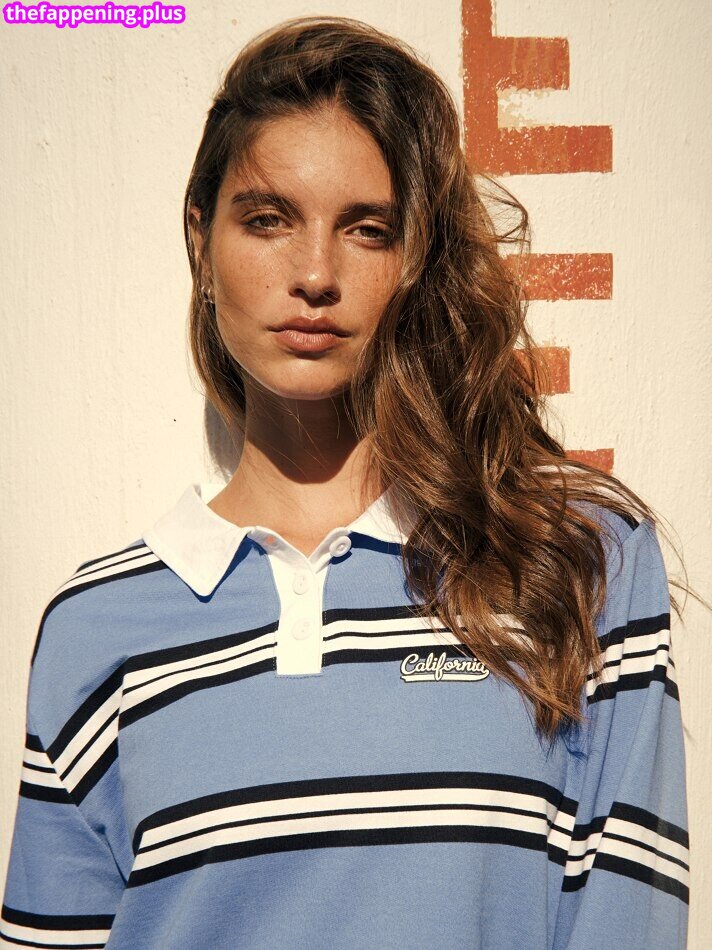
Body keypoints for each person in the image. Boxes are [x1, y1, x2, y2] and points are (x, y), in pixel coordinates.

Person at [0, 15, 690, 950]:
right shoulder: (96, 628)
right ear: (201, 241)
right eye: (267, 219)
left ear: (415, 260)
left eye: (368, 230)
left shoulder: (574, 559)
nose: (316, 274)